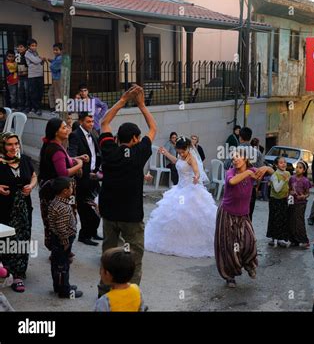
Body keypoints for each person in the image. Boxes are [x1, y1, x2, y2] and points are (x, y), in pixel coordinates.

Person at [98, 85, 156, 297]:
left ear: (118, 138)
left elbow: (104, 122)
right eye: (138, 138)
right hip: (131, 215)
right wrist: (140, 104)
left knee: (108, 255)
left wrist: (122, 100)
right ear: (134, 139)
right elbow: (153, 128)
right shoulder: (139, 152)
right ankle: (129, 297)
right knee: (134, 258)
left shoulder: (109, 150)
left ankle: (104, 295)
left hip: (109, 213)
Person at [145, 137, 217, 258]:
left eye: (183, 152)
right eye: (179, 152)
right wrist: (166, 153)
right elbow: (176, 161)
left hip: (191, 189)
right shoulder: (181, 156)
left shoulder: (191, 158)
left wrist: (196, 177)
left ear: (188, 148)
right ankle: (173, 241)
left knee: (186, 213)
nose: (181, 154)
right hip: (180, 188)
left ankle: (192, 242)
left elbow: (197, 171)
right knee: (174, 214)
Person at [215, 147, 274, 288]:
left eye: (237, 157)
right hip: (227, 214)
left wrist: (265, 167)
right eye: (233, 157)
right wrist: (248, 172)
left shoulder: (254, 171)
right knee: (228, 247)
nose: (234, 159)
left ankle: (249, 265)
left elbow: (274, 172)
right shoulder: (231, 172)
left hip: (243, 215)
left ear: (245, 159)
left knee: (249, 241)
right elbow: (232, 182)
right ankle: (230, 276)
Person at [38, 118, 85, 251]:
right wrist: (80, 164)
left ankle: (60, 250)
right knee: (62, 222)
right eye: (64, 128)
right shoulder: (56, 149)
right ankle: (61, 251)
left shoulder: (56, 145)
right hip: (58, 194)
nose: (67, 130)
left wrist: (77, 159)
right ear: (56, 132)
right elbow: (63, 172)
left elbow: (65, 161)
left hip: (54, 192)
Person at [0, 132, 37, 293]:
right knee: (6, 239)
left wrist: (32, 186)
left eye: (16, 143)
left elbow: (34, 176)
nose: (14, 147)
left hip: (23, 206)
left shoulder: (25, 159)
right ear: (2, 146)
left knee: (22, 238)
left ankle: (18, 275)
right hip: (4, 207)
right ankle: (5, 270)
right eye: (9, 144)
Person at [68, 113, 102, 246]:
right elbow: (72, 155)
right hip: (83, 177)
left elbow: (97, 152)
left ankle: (93, 231)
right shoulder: (75, 135)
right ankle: (84, 235)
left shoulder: (93, 133)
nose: (91, 124)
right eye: (88, 121)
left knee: (97, 204)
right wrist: (81, 159)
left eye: (92, 121)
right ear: (81, 121)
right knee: (85, 207)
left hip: (94, 175)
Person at [48, 177, 83, 299]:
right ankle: (64, 290)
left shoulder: (56, 202)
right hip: (62, 240)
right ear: (65, 191)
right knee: (63, 266)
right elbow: (61, 227)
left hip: (56, 238)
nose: (73, 189)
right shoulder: (63, 207)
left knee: (56, 264)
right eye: (71, 187)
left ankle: (58, 286)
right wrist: (65, 241)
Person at [95, 247, 147, 312]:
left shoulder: (105, 301)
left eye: (101, 268)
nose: (100, 272)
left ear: (107, 274)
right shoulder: (137, 290)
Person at [237, 127, 264, 221]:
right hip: (251, 186)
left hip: (237, 186)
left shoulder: (235, 150)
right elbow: (260, 171)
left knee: (236, 215)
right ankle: (247, 234)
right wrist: (257, 186)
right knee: (248, 216)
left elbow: (226, 165)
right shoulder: (258, 153)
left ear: (240, 137)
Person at [266, 156, 291, 248]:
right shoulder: (274, 175)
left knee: (283, 218)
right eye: (281, 162)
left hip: (284, 199)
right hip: (275, 200)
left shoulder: (288, 173)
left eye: (285, 162)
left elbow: (288, 186)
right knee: (275, 219)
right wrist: (284, 180)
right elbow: (277, 189)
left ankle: (281, 238)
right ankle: (274, 238)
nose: (283, 164)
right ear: (276, 165)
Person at [288, 161, 312, 248]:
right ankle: (294, 240)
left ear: (304, 170)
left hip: (301, 203)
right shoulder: (292, 178)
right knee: (291, 221)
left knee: (299, 222)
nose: (298, 169)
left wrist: (303, 196)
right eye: (297, 167)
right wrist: (291, 192)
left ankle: (305, 241)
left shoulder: (305, 181)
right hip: (292, 202)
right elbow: (289, 189)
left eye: (300, 168)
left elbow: (308, 193)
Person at [25, 39, 46, 115]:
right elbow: (36, 61)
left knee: (40, 92)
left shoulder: (36, 52)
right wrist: (40, 59)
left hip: (39, 74)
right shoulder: (27, 53)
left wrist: (40, 60)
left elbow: (39, 62)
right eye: (32, 45)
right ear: (28, 46)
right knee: (34, 93)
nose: (34, 47)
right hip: (32, 76)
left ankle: (37, 107)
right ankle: (36, 108)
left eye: (35, 45)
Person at [47, 43, 62, 113]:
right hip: (56, 78)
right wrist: (52, 61)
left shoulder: (60, 58)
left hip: (58, 78)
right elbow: (55, 64)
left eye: (56, 50)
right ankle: (53, 107)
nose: (55, 51)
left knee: (57, 94)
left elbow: (54, 67)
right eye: (54, 50)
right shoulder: (57, 58)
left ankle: (58, 109)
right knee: (50, 93)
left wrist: (52, 63)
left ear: (61, 51)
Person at [16, 43, 29, 113]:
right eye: (18, 47)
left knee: (27, 92)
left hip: (27, 76)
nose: (19, 48)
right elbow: (17, 65)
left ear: (25, 48)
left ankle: (27, 107)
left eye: (21, 47)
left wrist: (26, 72)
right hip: (20, 76)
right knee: (20, 92)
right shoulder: (17, 55)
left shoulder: (27, 55)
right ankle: (21, 106)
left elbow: (29, 65)